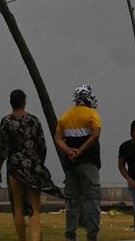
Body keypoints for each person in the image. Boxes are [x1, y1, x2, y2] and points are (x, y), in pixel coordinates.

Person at [0, 89, 60, 241]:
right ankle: (36, 238)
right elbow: (42, 146)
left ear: (11, 103)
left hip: (14, 169)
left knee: (17, 207)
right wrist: (38, 164)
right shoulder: (34, 120)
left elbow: (3, 148)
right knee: (34, 208)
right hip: (32, 168)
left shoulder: (6, 122)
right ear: (24, 102)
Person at [54, 84, 102, 241]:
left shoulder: (65, 116)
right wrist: (80, 150)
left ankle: (70, 235)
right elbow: (95, 135)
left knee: (72, 201)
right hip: (89, 163)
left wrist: (68, 150)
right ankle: (92, 235)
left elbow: (58, 138)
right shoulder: (92, 114)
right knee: (92, 199)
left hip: (70, 165)